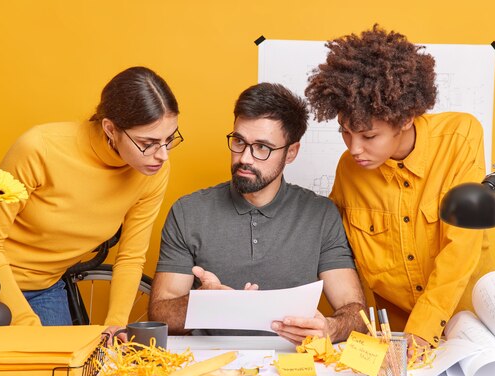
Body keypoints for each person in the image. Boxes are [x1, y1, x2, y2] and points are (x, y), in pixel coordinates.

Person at [304, 25, 494, 357]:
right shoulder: (349, 170)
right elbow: (336, 252)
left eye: (368, 136)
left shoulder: (460, 137)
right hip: (390, 337)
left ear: (406, 118)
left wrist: (422, 331)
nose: (354, 148)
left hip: (467, 326)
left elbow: (461, 249)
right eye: (345, 133)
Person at [0, 66, 182, 335]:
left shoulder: (152, 171)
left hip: (44, 285)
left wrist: (116, 324)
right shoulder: (40, 148)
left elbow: (131, 257)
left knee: (65, 375)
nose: (162, 155)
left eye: (169, 139)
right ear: (110, 128)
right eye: (149, 142)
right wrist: (26, 323)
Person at [149, 82, 366, 344]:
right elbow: (159, 313)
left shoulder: (321, 215)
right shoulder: (188, 212)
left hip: (294, 365)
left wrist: (331, 328)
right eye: (239, 141)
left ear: (291, 153)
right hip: (208, 362)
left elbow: (356, 312)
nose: (245, 158)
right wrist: (203, 304)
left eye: (262, 147)